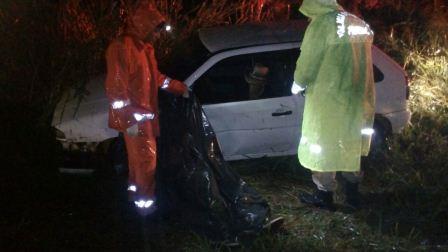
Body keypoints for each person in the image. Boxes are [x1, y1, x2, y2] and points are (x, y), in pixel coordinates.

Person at [104, 0, 188, 216]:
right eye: (156, 29)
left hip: (141, 117)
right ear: (145, 25)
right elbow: (116, 88)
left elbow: (155, 78)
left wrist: (178, 87)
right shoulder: (123, 48)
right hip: (136, 120)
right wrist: (132, 115)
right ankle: (145, 206)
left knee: (138, 161)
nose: (158, 35)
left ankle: (134, 195)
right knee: (145, 161)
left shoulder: (143, 49)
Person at [291, 0, 375, 210]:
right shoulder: (359, 23)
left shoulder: (322, 25)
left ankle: (324, 195)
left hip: (328, 96)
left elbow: (309, 59)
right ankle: (353, 195)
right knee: (351, 142)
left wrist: (298, 83)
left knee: (323, 144)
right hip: (357, 96)